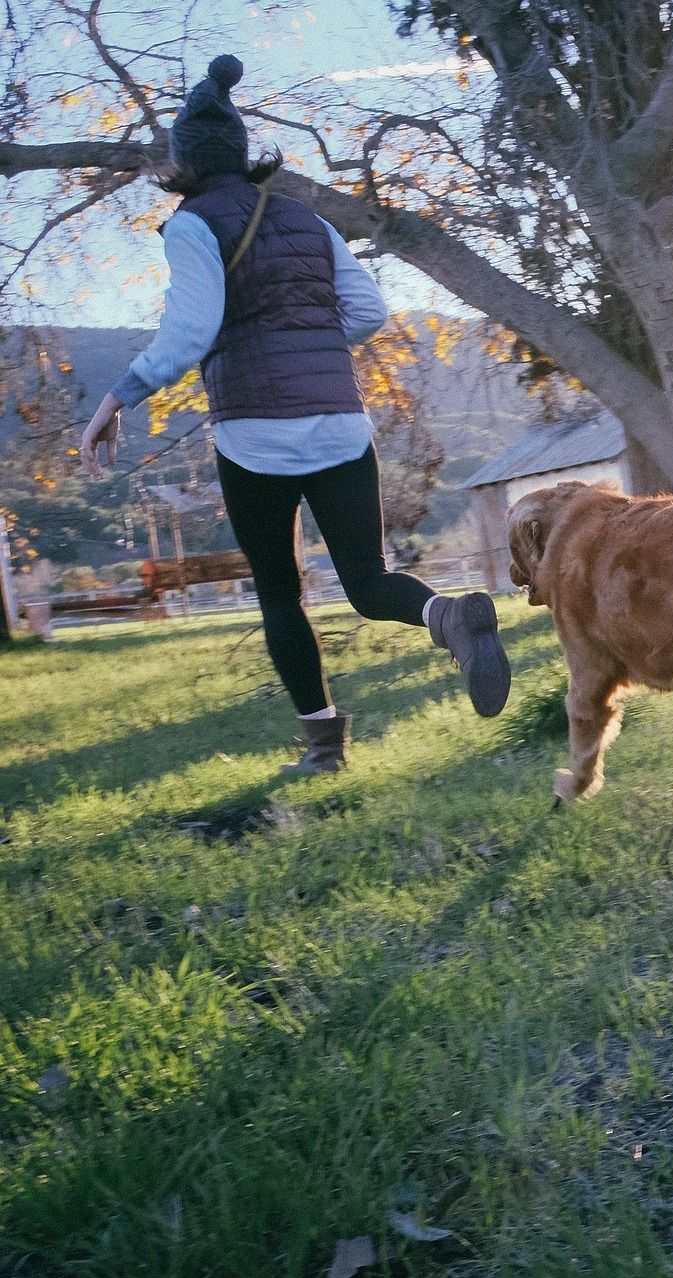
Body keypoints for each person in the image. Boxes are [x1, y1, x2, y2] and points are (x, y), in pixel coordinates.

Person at [78, 55, 510, 774]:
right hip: (341, 422)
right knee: (368, 584)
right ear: (243, 154)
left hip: (256, 435)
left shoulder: (191, 226)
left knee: (281, 593)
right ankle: (448, 618)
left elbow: (189, 332)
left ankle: (323, 749)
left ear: (181, 161)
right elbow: (370, 312)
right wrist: (306, 339)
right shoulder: (304, 217)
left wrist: (115, 398)